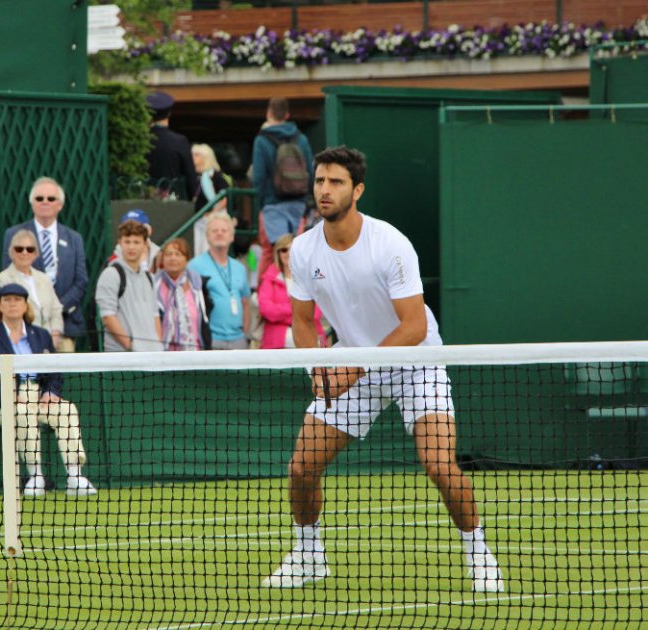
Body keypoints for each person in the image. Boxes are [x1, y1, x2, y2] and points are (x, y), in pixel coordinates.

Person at [261, 146, 504, 593]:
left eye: (335, 182)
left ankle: (479, 552)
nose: (325, 190)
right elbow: (300, 320)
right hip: (352, 362)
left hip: (415, 361)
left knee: (439, 466)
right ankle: (308, 556)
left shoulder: (390, 244)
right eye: (319, 181)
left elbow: (412, 326)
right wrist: (316, 365)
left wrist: (352, 368)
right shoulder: (302, 250)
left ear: (357, 190)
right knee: (301, 469)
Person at [0, 283, 97, 497]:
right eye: (7, 300)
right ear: (0, 306)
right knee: (22, 413)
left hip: (39, 397)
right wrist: (10, 396)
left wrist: (51, 392)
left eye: (17, 300)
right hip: (3, 403)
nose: (12, 304)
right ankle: (35, 476)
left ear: (25, 305)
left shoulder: (40, 335)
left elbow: (53, 373)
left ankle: (75, 475)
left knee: (66, 410)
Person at [0, 177, 88, 352]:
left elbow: (81, 281)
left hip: (64, 327)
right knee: (26, 379)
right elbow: (10, 281)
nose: (45, 202)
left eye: (51, 198)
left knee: (60, 377)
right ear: (32, 203)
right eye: (40, 198)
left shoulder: (74, 238)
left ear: (60, 204)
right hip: (23, 328)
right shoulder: (14, 235)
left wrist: (55, 309)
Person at [251, 97, 314, 246]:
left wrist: (261, 203)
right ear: (287, 115)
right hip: (299, 203)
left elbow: (258, 177)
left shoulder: (261, 140)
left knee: (280, 251)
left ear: (268, 113)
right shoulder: (301, 138)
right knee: (298, 251)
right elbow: (311, 172)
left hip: (273, 203)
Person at [95, 220, 163, 352]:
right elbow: (108, 317)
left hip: (152, 356)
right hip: (122, 357)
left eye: (136, 242)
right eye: (127, 242)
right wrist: (131, 346)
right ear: (120, 243)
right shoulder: (110, 274)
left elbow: (155, 315)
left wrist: (157, 345)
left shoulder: (150, 278)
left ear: (145, 245)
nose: (131, 247)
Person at [187, 212, 251, 350]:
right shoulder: (194, 266)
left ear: (232, 236)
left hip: (238, 340)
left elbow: (245, 303)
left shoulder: (240, 268)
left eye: (224, 230)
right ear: (207, 236)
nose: (219, 234)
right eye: (214, 230)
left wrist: (244, 333)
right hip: (210, 340)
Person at [257, 233, 324, 350]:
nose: (288, 253)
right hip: (277, 347)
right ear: (277, 254)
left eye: (292, 249)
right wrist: (299, 310)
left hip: (310, 345)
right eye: (284, 250)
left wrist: (282, 313)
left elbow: (317, 312)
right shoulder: (269, 277)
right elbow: (266, 310)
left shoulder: (310, 276)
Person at [0, 229, 64, 345]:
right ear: (12, 252)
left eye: (30, 249)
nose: (25, 253)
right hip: (23, 339)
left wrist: (55, 334)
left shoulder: (44, 278)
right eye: (19, 249)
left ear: (35, 254)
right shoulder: (3, 278)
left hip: (50, 338)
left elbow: (56, 309)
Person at [154, 238, 211, 351]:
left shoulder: (198, 285)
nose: (173, 258)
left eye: (178, 254)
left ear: (187, 259)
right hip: (164, 354)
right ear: (162, 259)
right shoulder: (153, 285)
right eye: (168, 254)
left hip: (195, 352)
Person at [145, 91, 198, 200]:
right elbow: (190, 175)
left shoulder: (141, 140)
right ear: (169, 113)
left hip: (143, 198)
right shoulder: (179, 141)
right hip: (172, 200)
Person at [191, 143, 231, 257]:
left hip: (211, 220)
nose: (193, 157)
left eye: (196, 155)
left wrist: (212, 213)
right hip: (198, 221)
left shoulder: (216, 176)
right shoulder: (195, 177)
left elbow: (225, 198)